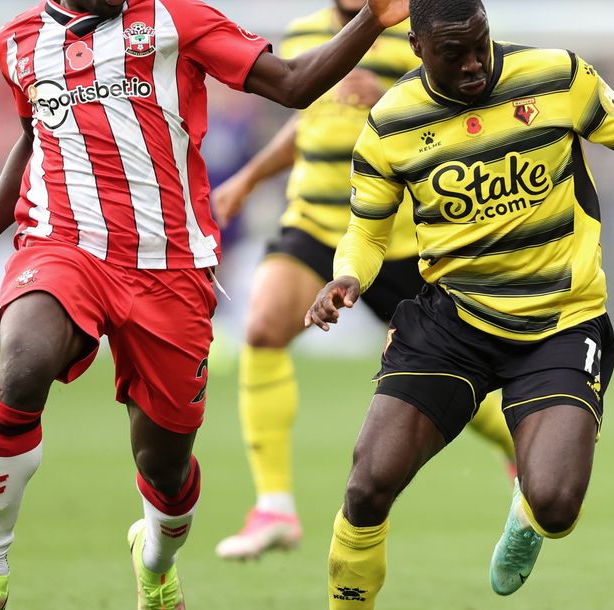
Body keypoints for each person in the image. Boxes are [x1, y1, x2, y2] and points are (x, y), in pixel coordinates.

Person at [0, 0, 409, 610]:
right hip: (64, 247)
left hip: (170, 270)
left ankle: (156, 562)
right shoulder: (19, 43)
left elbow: (292, 84)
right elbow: (36, 138)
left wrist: (374, 21)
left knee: (166, 469)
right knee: (23, 364)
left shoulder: (180, 21)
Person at [299, 0, 614, 610]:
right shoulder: (392, 122)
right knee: (368, 484)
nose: (472, 63)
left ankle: (528, 507)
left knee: (556, 503)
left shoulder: (555, 77)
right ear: (417, 47)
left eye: (480, 44)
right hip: (452, 319)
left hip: (560, 320)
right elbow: (365, 232)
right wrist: (347, 279)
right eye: (453, 52)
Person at [209, 0, 515, 561]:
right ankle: (273, 506)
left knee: (438, 378)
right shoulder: (303, 34)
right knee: (261, 330)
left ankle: (519, 443)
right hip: (317, 222)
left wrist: (392, 101)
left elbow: (472, 116)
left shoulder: (423, 31)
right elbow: (310, 124)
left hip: (398, 237)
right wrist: (249, 179)